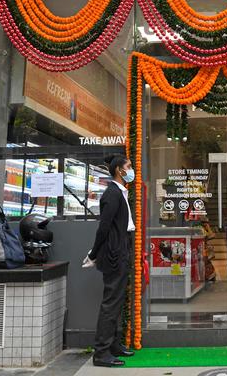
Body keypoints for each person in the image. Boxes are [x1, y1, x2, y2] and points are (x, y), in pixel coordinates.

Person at [82, 154, 136, 368]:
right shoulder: (112, 194)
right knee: (111, 302)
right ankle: (102, 352)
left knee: (117, 299)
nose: (131, 170)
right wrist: (94, 253)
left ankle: (113, 345)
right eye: (128, 167)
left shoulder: (120, 192)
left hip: (122, 249)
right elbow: (104, 227)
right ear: (119, 171)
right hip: (115, 253)